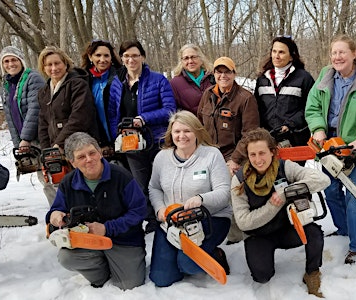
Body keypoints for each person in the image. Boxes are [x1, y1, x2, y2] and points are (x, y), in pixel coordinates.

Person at [305, 34, 356, 264]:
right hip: (328, 145)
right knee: (330, 191)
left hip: (354, 147)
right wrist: (318, 129)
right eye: (334, 53)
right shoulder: (325, 76)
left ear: (354, 54)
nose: (337, 57)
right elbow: (312, 108)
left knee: (355, 195)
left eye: (342, 52)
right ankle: (343, 228)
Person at [231, 128, 330, 297]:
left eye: (262, 153)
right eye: (252, 154)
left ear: (272, 152)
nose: (258, 159)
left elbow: (322, 180)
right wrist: (273, 205)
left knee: (313, 233)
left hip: (287, 228)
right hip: (258, 234)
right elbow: (243, 222)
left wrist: (286, 192)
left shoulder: (285, 167)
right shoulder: (239, 179)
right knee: (262, 276)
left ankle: (312, 272)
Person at [46, 132, 147, 290]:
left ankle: (119, 266)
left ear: (100, 153)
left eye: (92, 153)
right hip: (86, 242)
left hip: (123, 240)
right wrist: (55, 215)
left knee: (129, 285)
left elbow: (139, 210)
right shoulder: (68, 182)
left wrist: (107, 228)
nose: (89, 159)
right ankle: (101, 274)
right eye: (81, 157)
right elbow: (57, 208)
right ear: (72, 162)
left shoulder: (121, 176)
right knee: (66, 258)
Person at [148, 110, 232, 287]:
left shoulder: (211, 155)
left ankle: (215, 254)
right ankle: (178, 258)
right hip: (173, 222)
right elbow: (154, 187)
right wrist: (159, 209)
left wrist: (201, 199)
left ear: (197, 132)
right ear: (171, 133)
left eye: (187, 131)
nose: (182, 136)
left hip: (209, 218)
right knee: (161, 279)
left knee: (189, 265)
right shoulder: (162, 157)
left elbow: (224, 193)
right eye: (177, 131)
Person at [107, 40, 176, 234]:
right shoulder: (117, 84)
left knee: (161, 181)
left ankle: (169, 214)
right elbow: (113, 114)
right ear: (122, 59)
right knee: (140, 182)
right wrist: (117, 137)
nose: (131, 59)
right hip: (131, 142)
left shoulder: (158, 80)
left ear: (143, 57)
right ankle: (151, 218)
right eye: (126, 56)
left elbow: (170, 109)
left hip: (157, 139)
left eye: (135, 55)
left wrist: (144, 119)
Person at [0, 46, 54, 204]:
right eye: (6, 61)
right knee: (44, 180)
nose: (10, 64)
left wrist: (25, 138)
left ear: (21, 61)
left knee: (53, 176)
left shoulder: (33, 78)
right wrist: (19, 143)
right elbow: (10, 117)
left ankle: (66, 214)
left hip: (43, 136)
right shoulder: (7, 85)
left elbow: (35, 109)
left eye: (14, 60)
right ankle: (57, 214)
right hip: (28, 141)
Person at [197, 56, 260, 175]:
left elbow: (250, 133)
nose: (223, 75)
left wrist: (235, 159)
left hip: (232, 157)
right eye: (219, 72)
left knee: (227, 187)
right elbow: (198, 124)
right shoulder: (208, 94)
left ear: (234, 74)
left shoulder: (246, 98)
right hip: (207, 154)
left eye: (227, 72)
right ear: (214, 74)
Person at [254, 36, 314, 151]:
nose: (276, 56)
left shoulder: (304, 78)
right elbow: (257, 108)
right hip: (268, 139)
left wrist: (290, 124)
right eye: (274, 51)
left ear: (291, 56)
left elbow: (310, 108)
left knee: (291, 169)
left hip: (295, 139)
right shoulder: (262, 79)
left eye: (281, 52)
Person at [37, 46, 100, 150]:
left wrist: (59, 144)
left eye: (57, 63)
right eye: (49, 65)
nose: (54, 68)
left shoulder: (78, 84)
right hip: (56, 150)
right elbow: (43, 125)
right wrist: (47, 150)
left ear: (65, 64)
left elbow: (79, 117)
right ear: (43, 68)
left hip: (81, 146)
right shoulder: (43, 93)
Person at [80, 39, 123, 152]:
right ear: (90, 57)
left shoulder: (121, 76)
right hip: (97, 140)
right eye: (98, 55)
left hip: (121, 136)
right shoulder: (84, 81)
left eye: (106, 56)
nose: (102, 60)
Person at [170, 44, 214, 115]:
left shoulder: (213, 77)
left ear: (201, 59)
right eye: (186, 58)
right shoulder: (175, 84)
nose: (190, 61)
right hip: (192, 125)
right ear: (181, 61)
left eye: (193, 57)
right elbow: (174, 112)